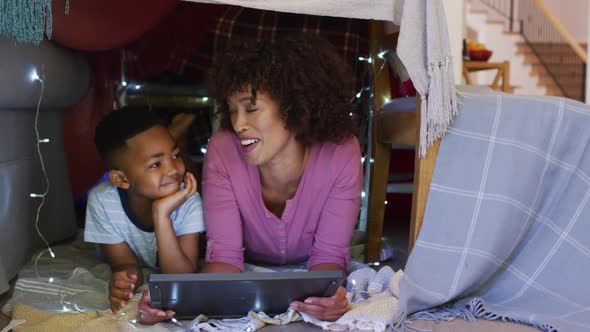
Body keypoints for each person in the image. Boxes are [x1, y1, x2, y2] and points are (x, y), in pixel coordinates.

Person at [138, 34, 363, 323]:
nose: (237, 124)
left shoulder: (342, 151)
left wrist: (329, 298)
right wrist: (177, 300)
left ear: (295, 106)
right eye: (232, 110)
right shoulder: (222, 148)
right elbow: (226, 260)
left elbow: (328, 259)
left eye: (251, 108)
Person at [84, 107, 205, 316]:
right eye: (156, 164)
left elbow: (179, 278)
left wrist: (161, 214)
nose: (173, 169)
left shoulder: (188, 198)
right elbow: (125, 264)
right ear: (121, 179)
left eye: (175, 155)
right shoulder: (103, 201)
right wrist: (124, 281)